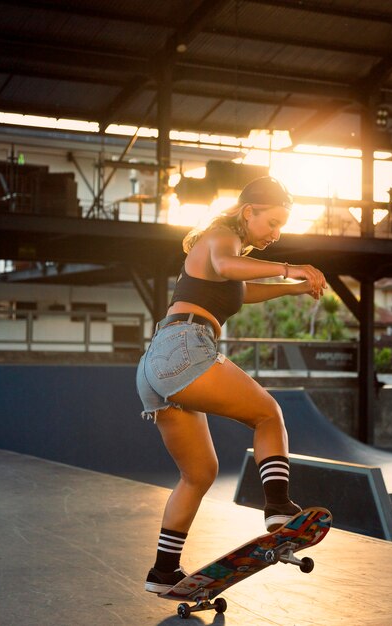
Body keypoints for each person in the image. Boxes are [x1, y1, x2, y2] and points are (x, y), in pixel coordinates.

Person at [136, 176, 326, 594]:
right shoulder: (221, 236)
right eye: (272, 223)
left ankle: (163, 570)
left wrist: (292, 288)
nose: (275, 235)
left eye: (281, 229)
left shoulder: (228, 251)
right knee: (268, 414)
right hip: (185, 347)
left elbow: (240, 287)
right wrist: (291, 267)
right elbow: (227, 267)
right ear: (248, 212)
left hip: (156, 364)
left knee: (199, 472)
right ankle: (277, 507)